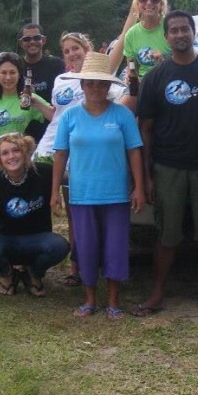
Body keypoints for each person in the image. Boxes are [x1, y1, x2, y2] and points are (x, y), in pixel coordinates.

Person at [133, 10, 198, 324]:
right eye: (174, 30)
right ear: (166, 37)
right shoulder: (155, 77)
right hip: (168, 167)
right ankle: (156, 294)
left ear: (193, 33)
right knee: (167, 235)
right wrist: (149, 173)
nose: (180, 34)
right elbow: (146, 130)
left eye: (185, 29)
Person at [51, 52, 145, 319]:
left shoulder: (122, 115)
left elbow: (135, 151)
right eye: (90, 83)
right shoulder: (69, 117)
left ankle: (113, 300)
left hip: (115, 194)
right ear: (82, 86)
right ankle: (90, 299)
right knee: (87, 247)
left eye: (101, 84)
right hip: (81, 195)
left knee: (115, 247)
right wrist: (54, 191)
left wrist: (138, 187)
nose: (95, 88)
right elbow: (60, 154)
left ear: (109, 87)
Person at [35, 31, 123, 287]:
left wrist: (132, 11)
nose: (72, 53)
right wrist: (37, 103)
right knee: (70, 214)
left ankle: (92, 267)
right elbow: (56, 115)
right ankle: (75, 267)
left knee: (81, 210)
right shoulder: (61, 79)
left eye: (77, 48)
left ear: (89, 50)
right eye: (67, 50)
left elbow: (121, 43)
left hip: (82, 148)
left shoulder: (97, 76)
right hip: (53, 147)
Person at [0, 133, 70, 296]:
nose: (11, 156)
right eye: (5, 153)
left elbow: (73, 177)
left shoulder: (43, 172)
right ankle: (7, 275)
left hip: (36, 238)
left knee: (60, 246)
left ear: (25, 152)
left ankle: (34, 273)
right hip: (5, 240)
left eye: (16, 151)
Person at [0, 51, 54, 227]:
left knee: (12, 211)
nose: (8, 77)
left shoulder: (27, 99)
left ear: (20, 74)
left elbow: (55, 117)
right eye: (3, 73)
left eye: (12, 72)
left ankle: (10, 248)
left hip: (14, 164)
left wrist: (34, 101)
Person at [108, 0, 171, 111]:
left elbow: (183, 61)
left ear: (161, 3)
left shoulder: (170, 27)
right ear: (137, 3)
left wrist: (163, 62)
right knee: (119, 114)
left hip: (169, 82)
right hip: (142, 85)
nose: (149, 3)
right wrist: (132, 75)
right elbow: (132, 63)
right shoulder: (131, 34)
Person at [18, 23, 65, 145]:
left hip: (51, 132)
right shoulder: (15, 66)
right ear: (21, 43)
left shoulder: (57, 65)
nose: (32, 42)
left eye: (36, 38)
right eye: (27, 39)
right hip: (22, 134)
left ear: (43, 40)